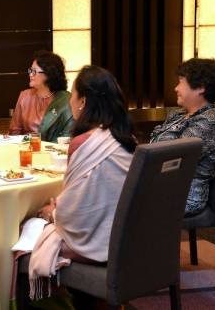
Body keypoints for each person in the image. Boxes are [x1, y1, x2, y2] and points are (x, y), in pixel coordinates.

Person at [14, 66, 137, 305]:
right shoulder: (127, 138)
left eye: (72, 94)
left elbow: (74, 214)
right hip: (130, 237)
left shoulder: (83, 142)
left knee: (21, 234)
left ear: (83, 101)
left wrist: (53, 213)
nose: (69, 100)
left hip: (96, 244)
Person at [150, 58, 215, 216]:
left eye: (180, 82)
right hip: (163, 186)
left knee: (119, 202)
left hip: (186, 196)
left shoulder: (209, 121)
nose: (176, 88)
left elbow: (173, 156)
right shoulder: (178, 114)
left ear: (200, 88)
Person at [9, 51, 73, 142]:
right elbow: (14, 132)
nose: (30, 74)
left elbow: (67, 137)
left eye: (34, 71)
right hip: (28, 148)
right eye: (30, 70)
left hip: (54, 151)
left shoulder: (65, 100)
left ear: (49, 74)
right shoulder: (25, 96)